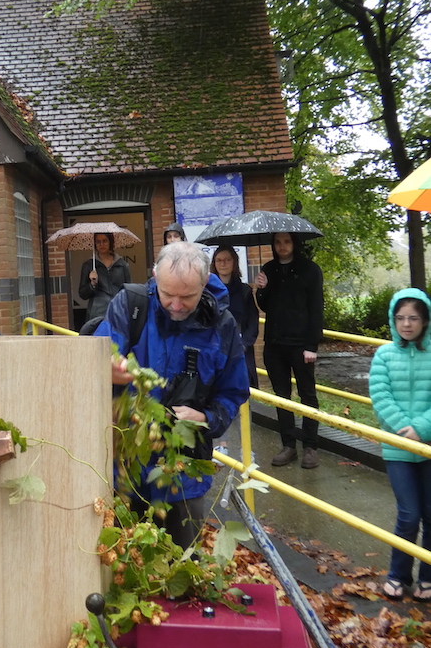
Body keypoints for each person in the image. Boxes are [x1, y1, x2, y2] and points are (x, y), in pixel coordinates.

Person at [95, 241, 249, 550]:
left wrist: (205, 418)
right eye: (168, 295)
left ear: (204, 282)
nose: (176, 305)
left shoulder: (223, 325)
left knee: (181, 562)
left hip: (185, 474)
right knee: (123, 561)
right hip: (124, 468)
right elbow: (93, 356)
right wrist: (103, 369)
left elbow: (234, 391)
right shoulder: (130, 305)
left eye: (187, 297)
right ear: (155, 277)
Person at [369, 289, 431, 602]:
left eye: (413, 318)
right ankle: (398, 574)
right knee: (408, 514)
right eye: (401, 318)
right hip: (398, 449)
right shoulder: (384, 355)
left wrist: (422, 428)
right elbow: (381, 397)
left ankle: (427, 578)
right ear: (394, 321)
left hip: (429, 446)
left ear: (425, 321)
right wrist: (404, 431)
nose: (406, 324)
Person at [255, 232, 323, 469]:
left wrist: (311, 345)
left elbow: (316, 309)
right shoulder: (269, 269)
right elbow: (264, 305)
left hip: (301, 345)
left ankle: (311, 447)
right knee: (281, 397)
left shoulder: (310, 270)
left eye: (286, 241)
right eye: (277, 242)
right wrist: (261, 289)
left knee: (307, 396)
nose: (282, 246)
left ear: (294, 243)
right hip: (274, 345)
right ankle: (288, 445)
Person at [211, 245, 259, 388]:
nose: (223, 263)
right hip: (216, 350)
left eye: (227, 259)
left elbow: (253, 322)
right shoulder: (208, 291)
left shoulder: (245, 291)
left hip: (241, 350)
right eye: (219, 260)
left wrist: (244, 344)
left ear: (234, 262)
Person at [78, 232, 131, 324]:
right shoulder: (89, 265)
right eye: (98, 242)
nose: (101, 244)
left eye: (105, 241)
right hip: (97, 314)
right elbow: (83, 294)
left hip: (118, 311)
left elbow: (128, 290)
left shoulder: (122, 264)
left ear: (110, 242)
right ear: (95, 244)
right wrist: (92, 284)